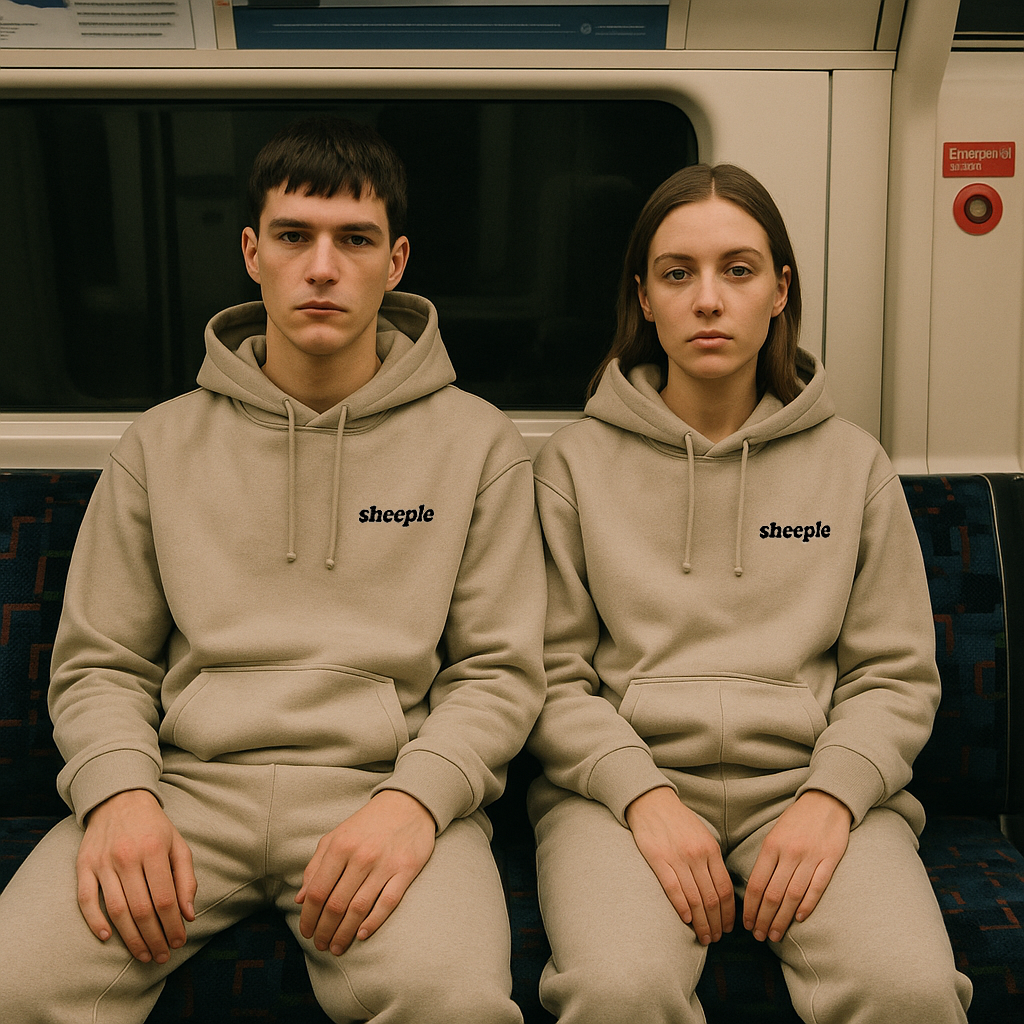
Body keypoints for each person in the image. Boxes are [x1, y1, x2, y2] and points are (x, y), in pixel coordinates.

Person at [0, 116, 545, 1024]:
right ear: (252, 252)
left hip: (381, 786)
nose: (322, 267)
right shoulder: (161, 441)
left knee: (451, 1002)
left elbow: (499, 673)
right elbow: (100, 664)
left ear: (397, 260)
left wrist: (417, 802)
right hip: (183, 790)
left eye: (354, 240)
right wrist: (121, 792)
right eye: (294, 236)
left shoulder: (476, 443)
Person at [526, 163, 972, 1024]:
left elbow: (895, 676)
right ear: (644, 298)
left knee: (908, 991)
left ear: (779, 291)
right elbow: (549, 675)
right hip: (623, 794)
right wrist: (643, 796)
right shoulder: (572, 468)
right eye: (677, 273)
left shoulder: (853, 465)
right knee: (618, 991)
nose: (707, 299)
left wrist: (832, 798)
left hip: (808, 785)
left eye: (738, 270)